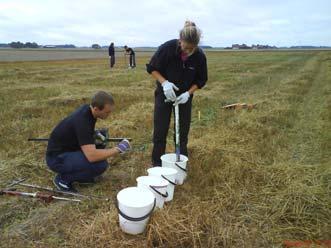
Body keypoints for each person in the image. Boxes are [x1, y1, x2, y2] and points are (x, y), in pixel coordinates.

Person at [146, 20, 208, 167]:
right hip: (164, 95)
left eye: (191, 49)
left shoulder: (199, 56)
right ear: (180, 40)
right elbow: (152, 68)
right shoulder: (167, 48)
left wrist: (188, 93)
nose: (187, 51)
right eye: (185, 47)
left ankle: (180, 163)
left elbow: (201, 80)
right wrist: (165, 83)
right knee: (160, 130)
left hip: (184, 98)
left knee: (182, 131)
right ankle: (157, 165)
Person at [46, 91, 131, 192]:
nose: (109, 114)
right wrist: (118, 149)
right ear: (96, 109)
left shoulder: (88, 111)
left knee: (99, 149)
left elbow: (80, 132)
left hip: (68, 150)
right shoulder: (83, 122)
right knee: (100, 165)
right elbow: (92, 156)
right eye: (107, 112)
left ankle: (82, 176)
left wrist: (95, 134)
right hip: (56, 159)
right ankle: (63, 179)